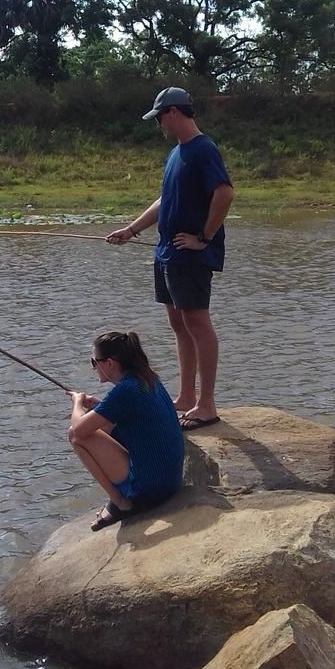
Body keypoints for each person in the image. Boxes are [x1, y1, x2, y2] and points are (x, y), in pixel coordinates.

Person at [106, 87, 234, 431]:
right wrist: (131, 230)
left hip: (189, 255)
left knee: (197, 324)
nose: (159, 124)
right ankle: (187, 396)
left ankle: (207, 404)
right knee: (179, 325)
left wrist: (204, 238)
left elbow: (224, 193)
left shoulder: (203, 149)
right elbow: (166, 200)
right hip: (167, 253)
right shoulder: (177, 153)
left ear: (174, 112)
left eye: (160, 117)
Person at [67, 330, 185, 531]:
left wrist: (77, 403)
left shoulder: (125, 391)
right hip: (171, 479)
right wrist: (100, 406)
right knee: (101, 424)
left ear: (110, 363)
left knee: (75, 436)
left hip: (152, 489)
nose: (94, 367)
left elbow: (79, 429)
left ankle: (121, 503)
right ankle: (123, 497)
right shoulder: (148, 377)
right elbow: (129, 414)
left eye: (95, 362)